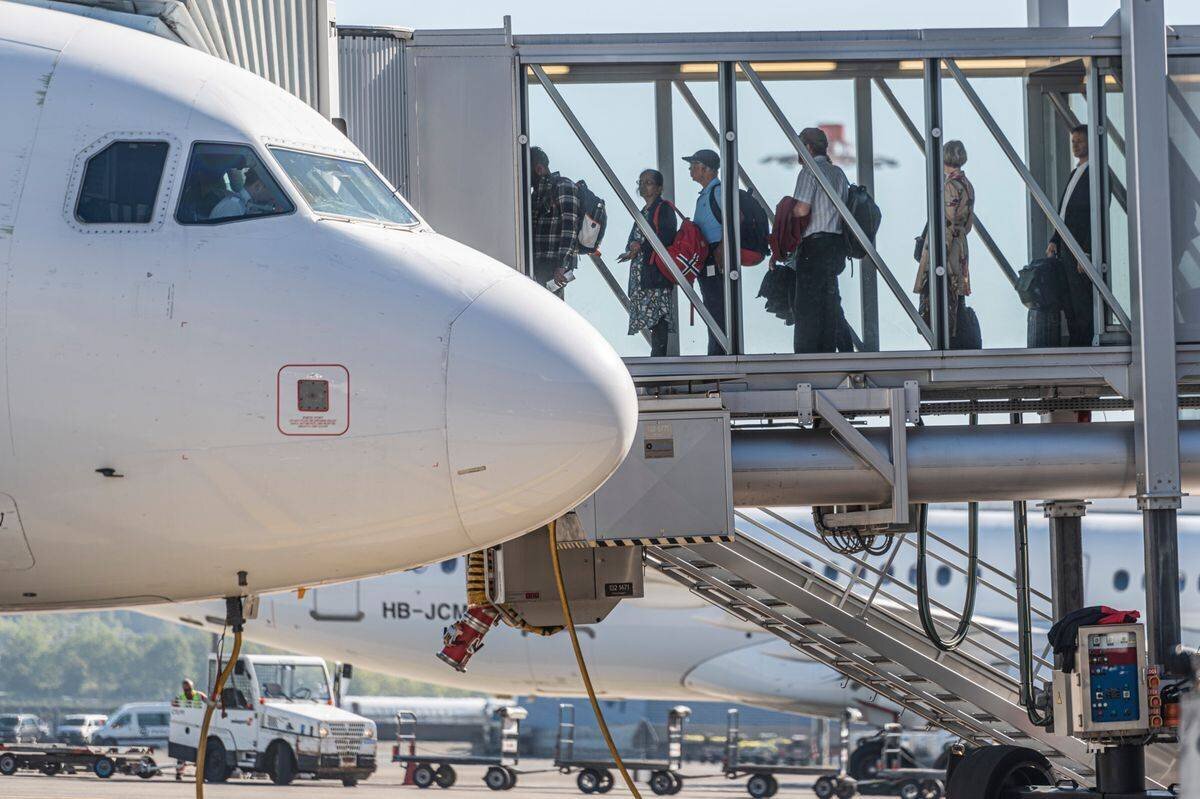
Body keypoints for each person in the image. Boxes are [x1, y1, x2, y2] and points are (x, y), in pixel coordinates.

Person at [790, 127, 851, 354]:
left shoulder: (809, 171)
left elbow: (802, 209)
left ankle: (807, 356)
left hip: (814, 246)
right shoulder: (838, 173)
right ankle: (837, 349)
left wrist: (787, 213)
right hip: (836, 245)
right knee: (830, 301)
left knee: (807, 304)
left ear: (808, 147)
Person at [913, 139, 975, 341]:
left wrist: (939, 254)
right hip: (960, 245)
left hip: (947, 248)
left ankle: (951, 341)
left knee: (944, 297)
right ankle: (961, 341)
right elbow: (967, 224)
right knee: (957, 297)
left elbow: (947, 222)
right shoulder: (967, 184)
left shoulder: (949, 186)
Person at [617, 169, 678, 357]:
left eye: (648, 183)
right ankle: (657, 356)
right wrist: (632, 247)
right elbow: (633, 238)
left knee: (658, 316)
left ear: (659, 188)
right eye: (641, 182)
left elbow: (666, 237)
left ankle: (659, 358)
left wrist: (640, 247)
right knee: (652, 317)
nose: (643, 186)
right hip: (644, 273)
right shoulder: (643, 211)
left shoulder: (663, 208)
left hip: (655, 273)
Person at [1045, 124, 1093, 346]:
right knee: (1069, 298)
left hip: (1079, 247)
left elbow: (1096, 215)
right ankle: (1076, 341)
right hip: (1066, 245)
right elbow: (1065, 211)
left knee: (1081, 297)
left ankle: (1084, 342)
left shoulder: (1095, 173)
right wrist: (1055, 239)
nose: (1075, 145)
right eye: (1073, 141)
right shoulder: (1077, 172)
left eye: (1080, 141)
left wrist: (1087, 251)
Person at [683, 149, 726, 355]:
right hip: (708, 256)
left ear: (706, 169)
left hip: (715, 256)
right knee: (712, 304)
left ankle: (719, 352)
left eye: (694, 165)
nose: (690, 169)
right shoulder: (707, 194)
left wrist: (722, 248)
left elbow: (734, 220)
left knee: (716, 304)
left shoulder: (718, 192)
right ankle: (717, 349)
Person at [529, 146, 579, 299]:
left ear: (538, 169)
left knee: (546, 309)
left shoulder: (563, 186)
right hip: (535, 263)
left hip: (553, 266)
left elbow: (569, 227)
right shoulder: (535, 195)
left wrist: (562, 265)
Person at [174, 679, 207, 780]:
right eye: (185, 690)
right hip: (185, 728)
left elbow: (209, 703)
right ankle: (179, 772)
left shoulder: (200, 696)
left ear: (192, 688)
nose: (187, 692)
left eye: (189, 689)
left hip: (198, 728)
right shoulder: (180, 698)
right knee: (181, 752)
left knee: (200, 752)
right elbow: (175, 710)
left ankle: (199, 773)